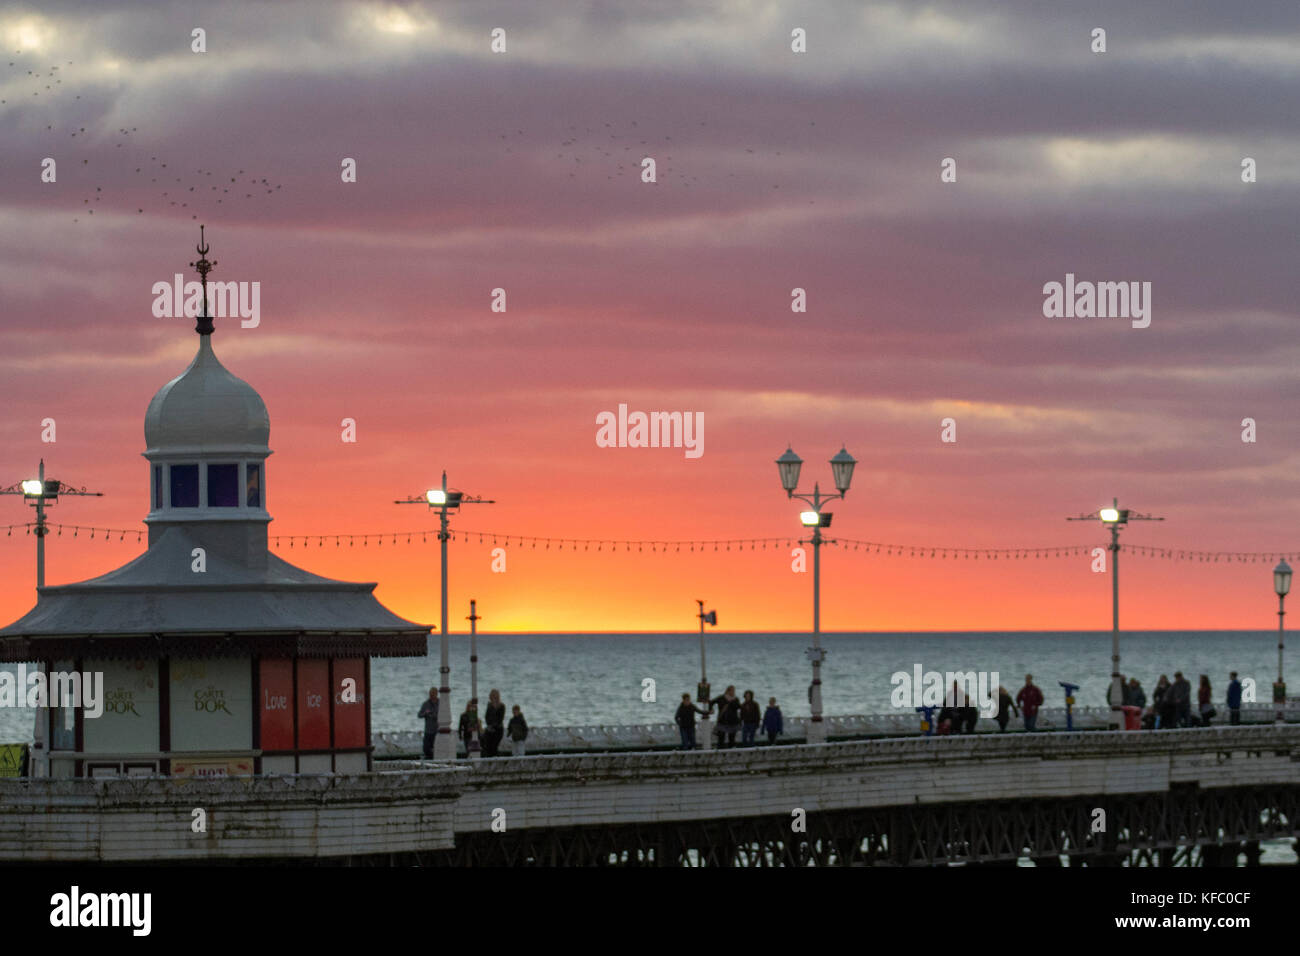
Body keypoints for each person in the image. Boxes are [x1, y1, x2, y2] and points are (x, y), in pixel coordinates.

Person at [482, 689, 506, 757]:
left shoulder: (502, 706)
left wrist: (494, 725)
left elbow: (501, 718)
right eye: (492, 696)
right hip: (490, 729)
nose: (493, 698)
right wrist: (489, 725)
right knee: (488, 746)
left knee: (494, 746)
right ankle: (490, 761)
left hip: (498, 729)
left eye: (495, 696)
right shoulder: (489, 705)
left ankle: (496, 760)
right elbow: (486, 716)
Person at [417, 686, 439, 759]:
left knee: (436, 748)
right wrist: (425, 714)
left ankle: (434, 759)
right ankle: (429, 759)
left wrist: (434, 715)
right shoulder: (426, 704)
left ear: (436, 694)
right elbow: (419, 715)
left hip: (437, 730)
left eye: (433, 694)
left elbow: (444, 715)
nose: (431, 695)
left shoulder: (441, 703)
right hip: (428, 731)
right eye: (430, 694)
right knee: (426, 749)